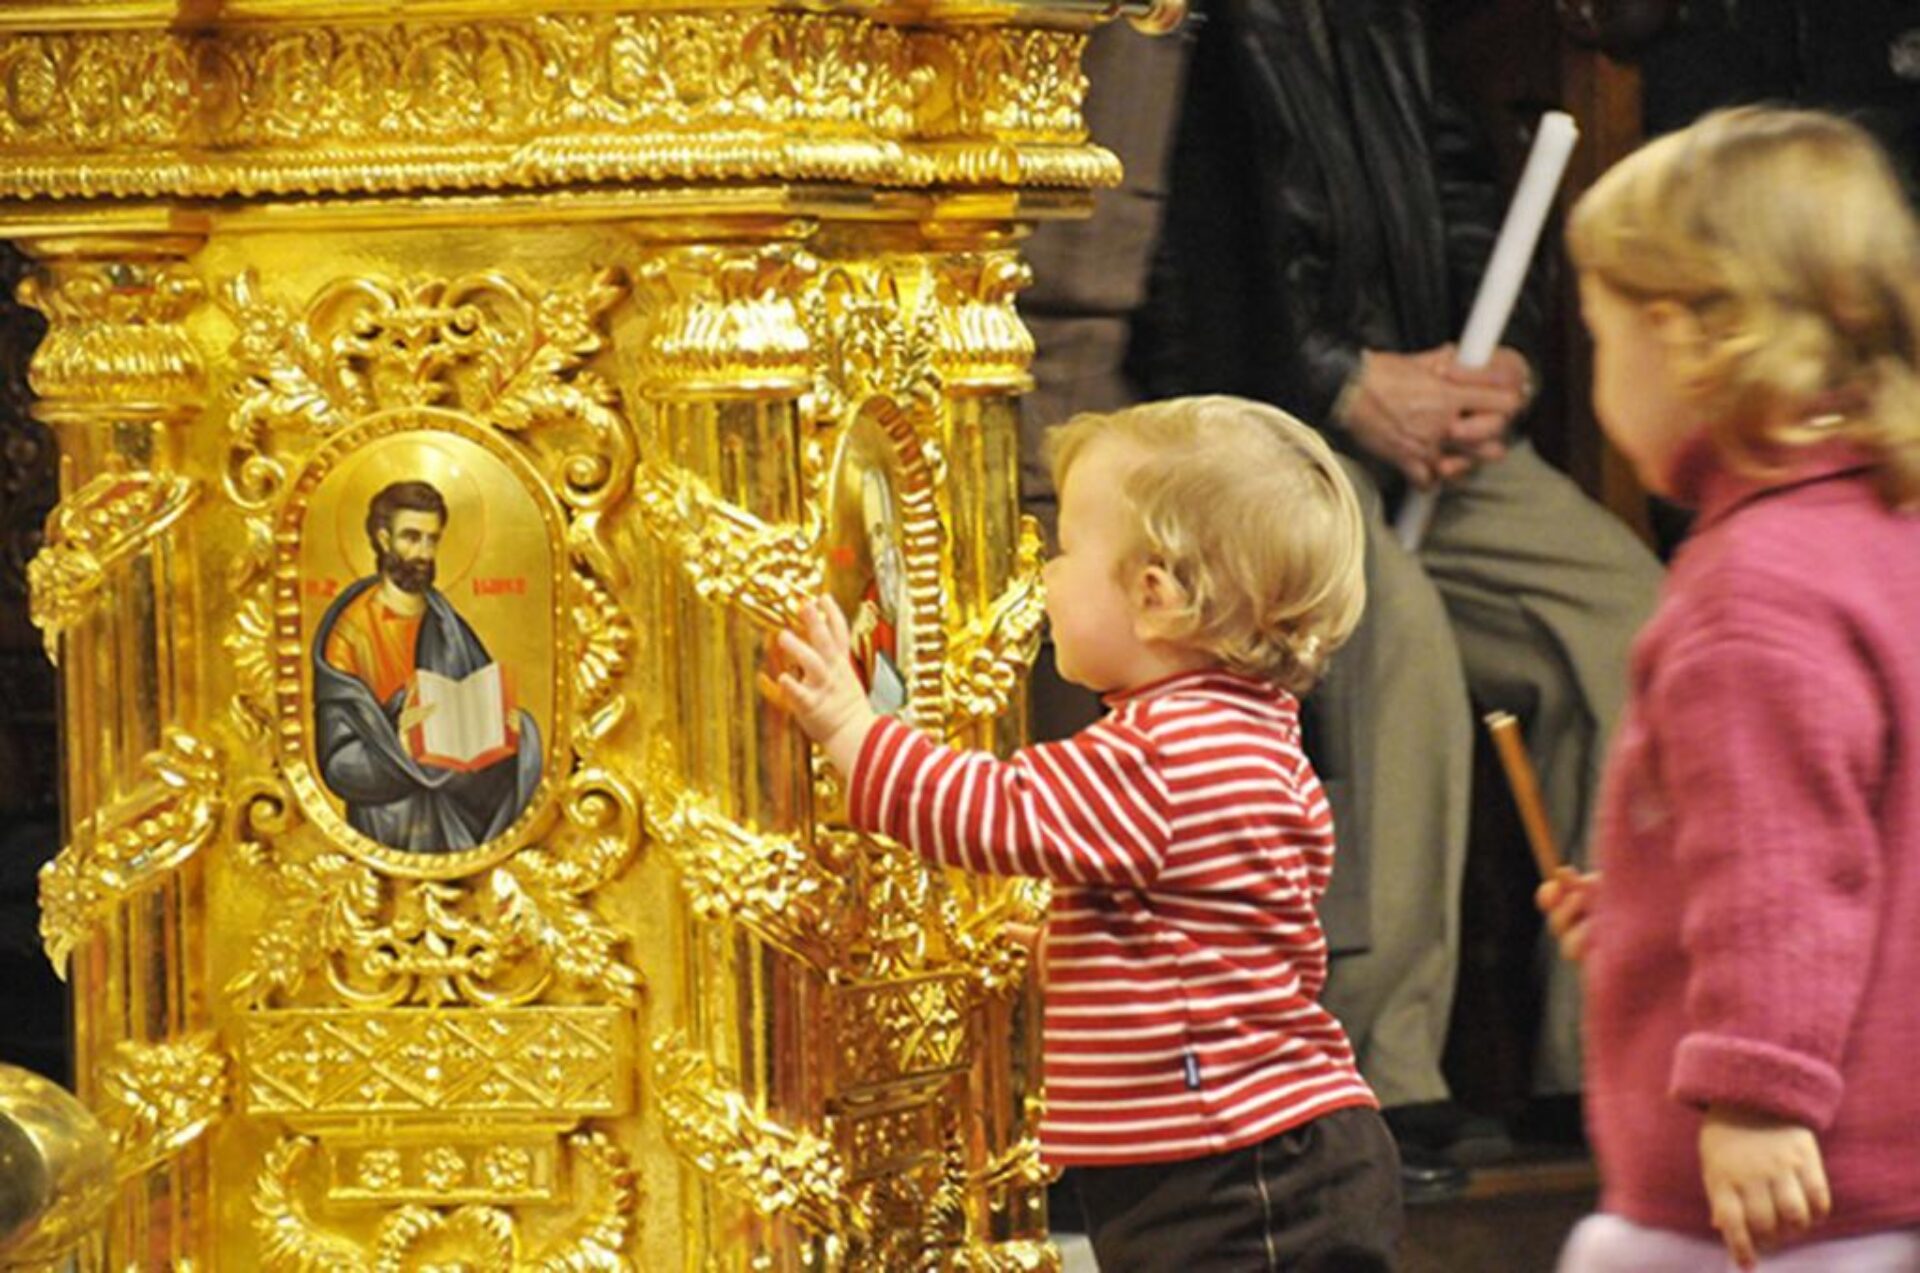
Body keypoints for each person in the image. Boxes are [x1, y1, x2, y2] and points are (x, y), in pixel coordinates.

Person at [1133, 0, 1665, 1170]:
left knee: (1630, 619)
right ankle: (1376, 1075)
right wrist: (1342, 381)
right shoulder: (1176, 23)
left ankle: (1603, 1052)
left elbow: (1460, 180)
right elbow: (1188, 260)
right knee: (1394, 632)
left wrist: (1500, 355)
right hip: (1265, 420)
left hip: (1431, 406)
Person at [769, 397, 1401, 1271]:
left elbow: (988, 811)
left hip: (1234, 1167)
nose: (1041, 576)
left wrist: (850, 727)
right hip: (1248, 1154)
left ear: (1156, 597)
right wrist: (1079, 950)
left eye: (1064, 551)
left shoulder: (1160, 753)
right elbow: (1207, 924)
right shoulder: (1245, 731)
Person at [1540, 106, 1920, 1271]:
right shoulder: (1886, 532)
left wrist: (1757, 1091)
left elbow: (1781, 864)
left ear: (1677, 339)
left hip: (1782, 1193)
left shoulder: (1751, 591)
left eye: (1600, 337)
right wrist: (1647, 911)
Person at [313, 479, 543, 853]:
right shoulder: (351, 635)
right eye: (411, 537)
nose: (423, 552)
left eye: (432, 539)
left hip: (457, 812)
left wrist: (514, 732)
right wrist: (399, 751)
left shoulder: (447, 625)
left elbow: (480, 713)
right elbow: (339, 765)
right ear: (383, 539)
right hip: (391, 824)